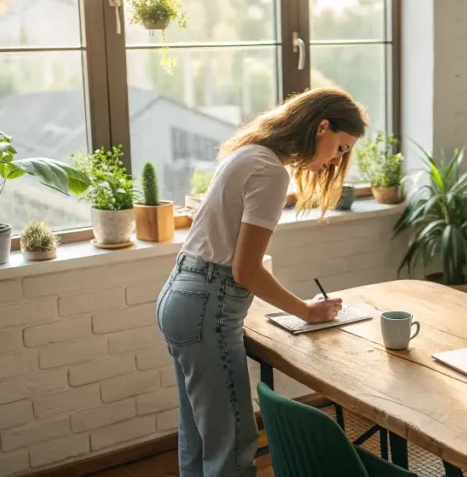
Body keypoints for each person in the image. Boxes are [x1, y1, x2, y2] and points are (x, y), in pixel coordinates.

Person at [156, 88, 367, 476]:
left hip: (180, 295)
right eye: (340, 147)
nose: (337, 159)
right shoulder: (270, 171)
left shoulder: (248, 153)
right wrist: (305, 311)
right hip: (207, 307)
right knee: (233, 445)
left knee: (200, 438)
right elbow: (245, 271)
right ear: (322, 127)